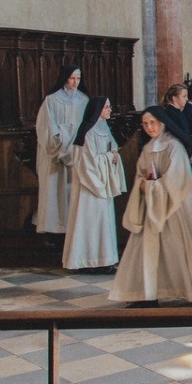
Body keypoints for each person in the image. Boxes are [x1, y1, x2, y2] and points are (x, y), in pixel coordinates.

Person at [108, 106, 192, 308]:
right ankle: (147, 293)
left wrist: (148, 185)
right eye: (145, 124)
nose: (149, 127)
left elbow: (176, 181)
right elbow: (141, 174)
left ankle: (189, 291)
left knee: (178, 250)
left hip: (174, 209)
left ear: (163, 123)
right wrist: (145, 183)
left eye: (153, 123)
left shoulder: (174, 147)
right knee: (146, 250)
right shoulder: (148, 149)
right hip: (152, 207)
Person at [62, 97, 127, 274]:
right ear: (97, 110)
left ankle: (104, 260)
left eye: (109, 106)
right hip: (89, 187)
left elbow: (112, 148)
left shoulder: (104, 128)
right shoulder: (86, 132)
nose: (110, 110)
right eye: (106, 107)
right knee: (89, 223)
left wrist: (113, 155)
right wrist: (108, 157)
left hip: (102, 183)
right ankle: (85, 261)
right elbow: (85, 163)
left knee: (103, 224)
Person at [33, 65, 89, 236]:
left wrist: (74, 143)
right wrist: (61, 145)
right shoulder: (52, 100)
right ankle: (53, 231)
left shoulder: (84, 100)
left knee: (72, 191)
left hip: (76, 152)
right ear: (65, 78)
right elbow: (46, 128)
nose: (75, 82)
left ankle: (73, 231)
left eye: (78, 79)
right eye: (72, 78)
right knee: (54, 192)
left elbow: (86, 126)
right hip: (55, 155)